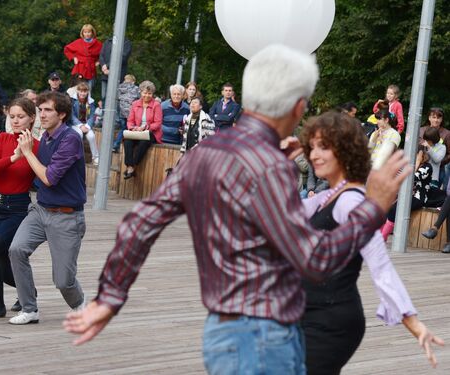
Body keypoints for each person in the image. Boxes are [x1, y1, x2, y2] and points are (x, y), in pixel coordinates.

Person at [63, 44, 413, 374]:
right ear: (298, 107)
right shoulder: (271, 167)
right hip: (266, 338)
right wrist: (373, 207)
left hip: (222, 332)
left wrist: (110, 297)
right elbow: (314, 259)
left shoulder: (207, 152)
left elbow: (142, 220)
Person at [299, 111, 442, 375]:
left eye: (323, 147)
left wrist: (413, 323)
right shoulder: (327, 197)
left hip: (331, 322)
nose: (314, 154)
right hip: (307, 315)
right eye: (312, 146)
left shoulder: (350, 201)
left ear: (344, 151)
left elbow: (380, 264)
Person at [8, 92, 87, 325]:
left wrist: (28, 152)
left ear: (61, 114)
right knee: (16, 250)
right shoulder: (46, 137)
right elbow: (33, 172)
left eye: (48, 110)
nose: (42, 114)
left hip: (66, 216)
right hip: (41, 210)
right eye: (40, 109)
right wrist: (17, 155)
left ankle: (80, 305)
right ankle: (29, 309)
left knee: (63, 280)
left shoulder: (70, 138)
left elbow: (49, 177)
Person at [0, 97, 40, 318]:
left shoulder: (37, 146)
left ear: (31, 118)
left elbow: (44, 175)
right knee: (0, 257)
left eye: (20, 117)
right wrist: (13, 157)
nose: (15, 120)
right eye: (12, 116)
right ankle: (29, 290)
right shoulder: (3, 138)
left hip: (18, 208)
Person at [381, 145, 446, 241]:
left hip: (419, 197)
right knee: (387, 208)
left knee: (395, 209)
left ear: (421, 155)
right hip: (407, 195)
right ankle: (380, 235)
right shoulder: (410, 165)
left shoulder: (427, 167)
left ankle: (383, 237)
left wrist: (418, 162)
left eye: (415, 154)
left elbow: (412, 178)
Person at [123, 80, 162, 180]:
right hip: (137, 132)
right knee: (127, 140)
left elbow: (157, 123)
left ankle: (133, 165)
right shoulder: (135, 104)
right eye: (145, 93)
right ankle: (130, 167)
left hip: (151, 132)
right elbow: (130, 121)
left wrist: (145, 127)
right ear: (140, 92)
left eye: (149, 93)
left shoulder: (156, 105)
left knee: (144, 142)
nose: (147, 95)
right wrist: (133, 128)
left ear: (152, 94)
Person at [64, 24, 102, 94]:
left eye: (89, 32)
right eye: (85, 32)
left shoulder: (98, 44)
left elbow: (103, 54)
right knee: (78, 90)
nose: (87, 34)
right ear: (82, 33)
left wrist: (99, 61)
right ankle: (77, 104)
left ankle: (87, 104)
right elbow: (67, 49)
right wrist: (73, 57)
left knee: (88, 91)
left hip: (91, 70)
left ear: (92, 33)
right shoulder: (78, 42)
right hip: (80, 69)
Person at [69, 82, 99, 165]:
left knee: (91, 136)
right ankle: (76, 156)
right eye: (81, 91)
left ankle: (96, 157)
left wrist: (87, 125)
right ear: (77, 91)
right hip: (75, 124)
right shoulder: (72, 100)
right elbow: (72, 116)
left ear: (88, 92)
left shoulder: (91, 102)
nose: (83, 93)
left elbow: (92, 116)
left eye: (85, 91)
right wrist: (80, 125)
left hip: (86, 124)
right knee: (79, 134)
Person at [419, 108, 450, 187]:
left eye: (438, 118)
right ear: (429, 118)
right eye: (434, 117)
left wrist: (437, 162)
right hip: (420, 166)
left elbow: (449, 154)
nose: (436, 120)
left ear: (442, 119)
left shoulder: (446, 133)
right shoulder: (421, 130)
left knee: (433, 195)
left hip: (438, 170)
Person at [99, 37, 132, 101]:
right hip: (105, 74)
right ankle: (104, 111)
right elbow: (101, 55)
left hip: (118, 76)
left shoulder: (126, 43)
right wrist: (103, 66)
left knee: (115, 98)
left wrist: (108, 66)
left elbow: (123, 58)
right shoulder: (108, 41)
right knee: (103, 96)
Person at [113, 74, 140, 153]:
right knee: (129, 129)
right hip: (131, 113)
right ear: (133, 81)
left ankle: (116, 145)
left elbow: (117, 98)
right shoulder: (135, 88)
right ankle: (121, 146)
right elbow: (139, 98)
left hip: (122, 113)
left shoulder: (120, 88)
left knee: (123, 129)